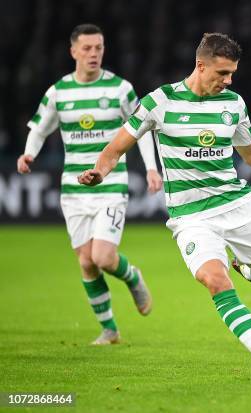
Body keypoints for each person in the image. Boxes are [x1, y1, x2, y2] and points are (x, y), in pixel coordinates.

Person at [77, 32, 251, 381]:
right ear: (200, 65)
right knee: (214, 280)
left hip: (238, 207)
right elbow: (117, 147)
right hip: (191, 218)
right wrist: (100, 171)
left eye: (232, 73)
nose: (229, 80)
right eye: (222, 73)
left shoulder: (233, 104)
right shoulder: (159, 102)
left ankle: (242, 266)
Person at [16, 24, 163, 345]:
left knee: (104, 258)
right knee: (86, 261)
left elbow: (141, 128)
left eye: (98, 47)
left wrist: (152, 168)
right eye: (87, 48)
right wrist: (28, 154)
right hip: (73, 189)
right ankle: (109, 330)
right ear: (73, 52)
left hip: (110, 184)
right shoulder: (59, 92)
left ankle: (132, 276)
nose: (94, 54)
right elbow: (40, 128)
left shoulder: (120, 89)